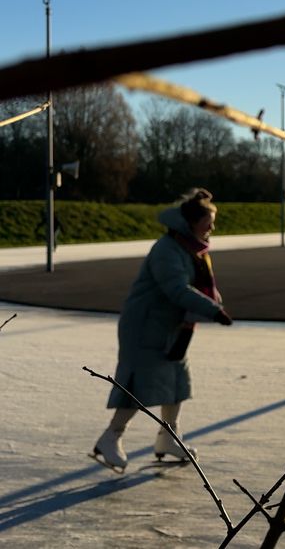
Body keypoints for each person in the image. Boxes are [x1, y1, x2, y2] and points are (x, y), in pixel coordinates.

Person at [91, 189, 233, 472]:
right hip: (144, 327)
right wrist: (213, 310)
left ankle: (168, 438)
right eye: (208, 222)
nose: (212, 228)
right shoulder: (167, 249)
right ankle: (110, 438)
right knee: (138, 384)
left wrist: (210, 307)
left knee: (177, 382)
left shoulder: (190, 248)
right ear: (191, 223)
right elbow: (176, 289)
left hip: (172, 326)